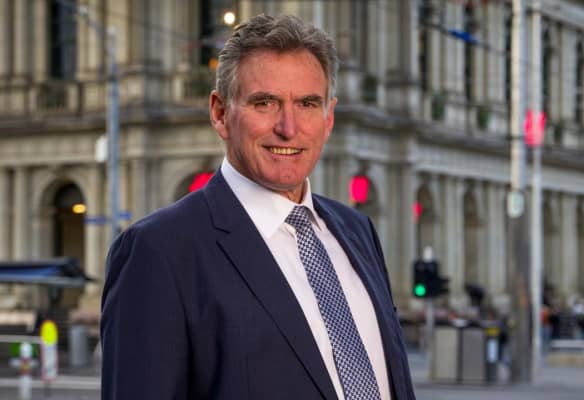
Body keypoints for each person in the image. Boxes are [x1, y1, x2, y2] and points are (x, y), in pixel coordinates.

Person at [100, 14, 416, 400]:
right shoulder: (159, 251)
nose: (288, 128)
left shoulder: (357, 230)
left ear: (329, 117)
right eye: (265, 103)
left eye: (307, 103)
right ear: (220, 113)